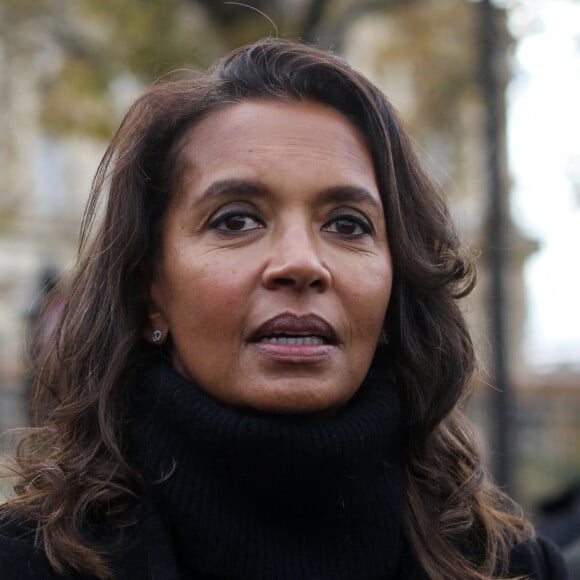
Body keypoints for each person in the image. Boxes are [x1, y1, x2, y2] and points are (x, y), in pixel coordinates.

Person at [0, 38, 568, 580]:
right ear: (151, 288)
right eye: (236, 220)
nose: (301, 264)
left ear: (398, 283)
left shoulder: (515, 570)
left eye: (347, 224)